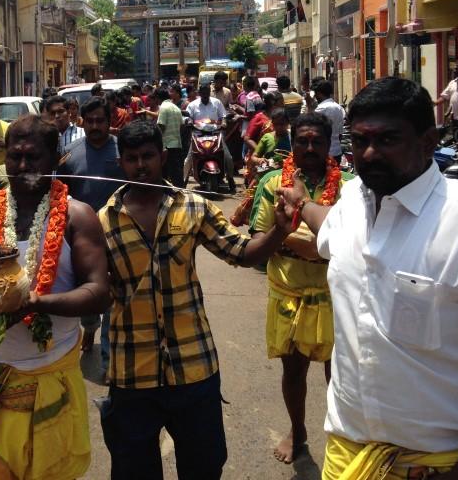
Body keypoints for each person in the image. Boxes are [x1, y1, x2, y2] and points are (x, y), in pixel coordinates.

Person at [278, 77, 458, 479]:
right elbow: (327, 229)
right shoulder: (352, 204)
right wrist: (301, 202)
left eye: (388, 140)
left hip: (448, 464)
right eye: (359, 141)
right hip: (349, 458)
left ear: (428, 142)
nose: (370, 153)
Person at [98, 120, 304, 480]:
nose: (141, 165)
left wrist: (279, 231)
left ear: (163, 156)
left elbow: (241, 252)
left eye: (148, 156)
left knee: (204, 467)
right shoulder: (103, 220)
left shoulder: (193, 207)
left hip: (193, 367)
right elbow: (93, 288)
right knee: (134, 472)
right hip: (131, 370)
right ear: (121, 163)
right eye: (132, 158)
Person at [0, 115, 110, 479]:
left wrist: (33, 303)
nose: (23, 166)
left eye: (33, 157)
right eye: (14, 157)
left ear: (55, 158)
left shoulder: (78, 217)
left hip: (50, 375)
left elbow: (98, 293)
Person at [248, 113, 353, 464]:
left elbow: (357, 244)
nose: (310, 148)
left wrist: (311, 248)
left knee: (340, 374)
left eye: (317, 142)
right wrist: (309, 245)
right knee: (293, 372)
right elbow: (260, 238)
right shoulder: (273, 182)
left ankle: (345, 434)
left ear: (329, 144)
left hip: (337, 296)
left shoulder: (351, 185)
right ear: (292, 143)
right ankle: (298, 429)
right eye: (303, 141)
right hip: (288, 292)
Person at [58, 97, 125, 364]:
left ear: (110, 122)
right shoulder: (69, 154)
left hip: (117, 236)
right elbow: (59, 195)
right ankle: (89, 329)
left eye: (101, 120)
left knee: (112, 297)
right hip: (81, 241)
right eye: (91, 121)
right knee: (85, 291)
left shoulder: (123, 152)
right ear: (82, 122)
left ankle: (109, 358)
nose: (96, 126)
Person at [185, 83, 235, 192]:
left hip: (215, 134)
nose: (205, 95)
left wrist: (224, 122)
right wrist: (188, 122)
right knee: (188, 160)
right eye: (203, 92)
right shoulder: (192, 105)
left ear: (209, 92)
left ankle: (230, 179)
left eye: (207, 92)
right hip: (198, 135)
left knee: (228, 158)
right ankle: (184, 182)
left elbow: (223, 116)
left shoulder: (217, 103)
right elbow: (188, 117)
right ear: (199, 93)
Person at [155, 86, 185, 188]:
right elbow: (181, 126)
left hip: (166, 145)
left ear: (158, 98)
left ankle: (178, 193)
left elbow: (161, 126)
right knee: (175, 173)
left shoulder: (163, 108)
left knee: (167, 174)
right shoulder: (176, 108)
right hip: (176, 144)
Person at [312, 80, 346, 162]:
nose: (315, 97)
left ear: (319, 93)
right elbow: (340, 134)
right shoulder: (339, 108)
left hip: (323, 153)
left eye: (315, 94)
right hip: (337, 151)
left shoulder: (320, 109)